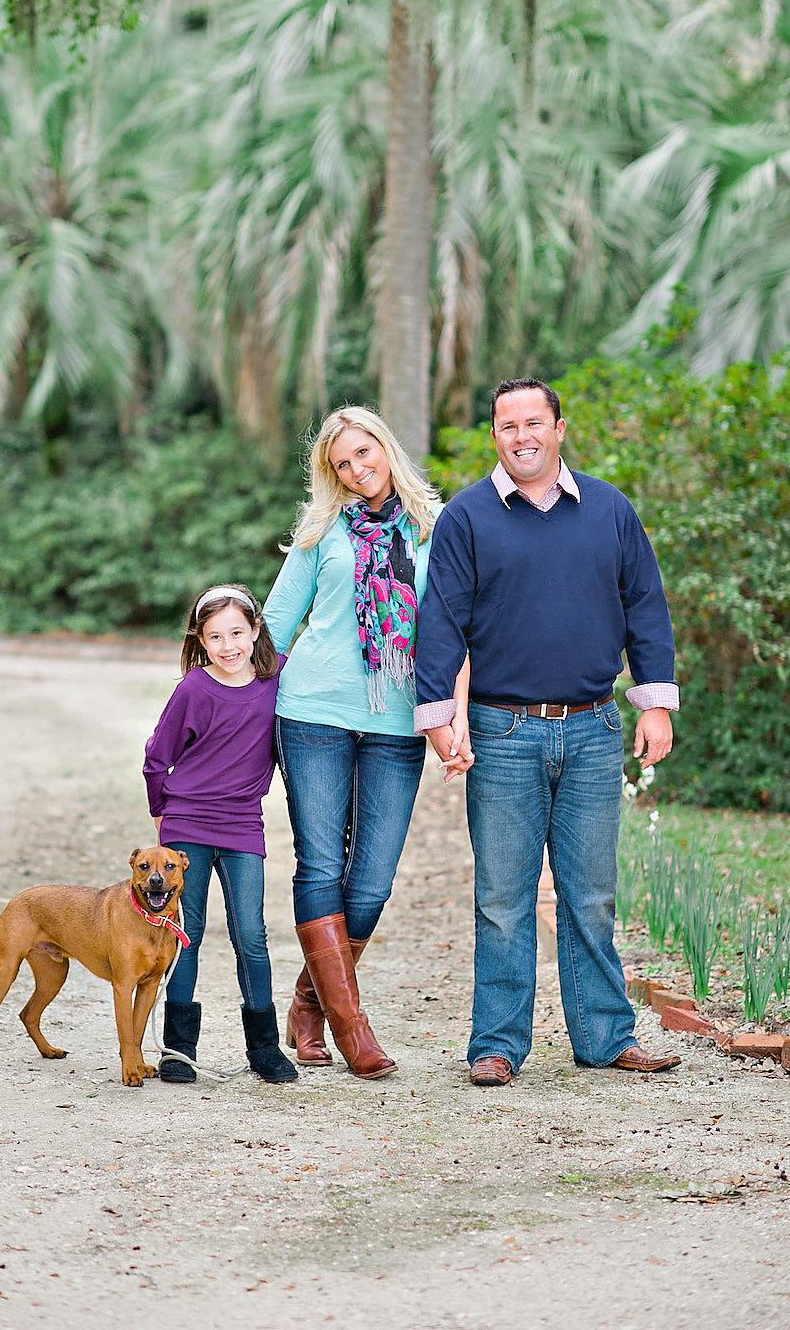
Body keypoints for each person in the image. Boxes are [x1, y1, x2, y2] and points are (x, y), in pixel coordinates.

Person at [414, 378, 681, 1084]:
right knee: (503, 899)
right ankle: (497, 1046)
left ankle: (605, 1037)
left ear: (559, 427)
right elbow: (440, 622)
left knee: (591, 894)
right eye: (508, 425)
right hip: (502, 733)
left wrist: (653, 703)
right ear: (494, 435)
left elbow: (645, 607)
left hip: (593, 730)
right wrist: (440, 718)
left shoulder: (609, 511)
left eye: (534, 422)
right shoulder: (468, 518)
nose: (522, 436)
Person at [262, 405, 469, 1080]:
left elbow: (453, 631)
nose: (356, 469)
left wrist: (452, 717)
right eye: (341, 463)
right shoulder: (320, 531)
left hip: (396, 719)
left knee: (372, 881)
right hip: (314, 711)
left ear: (387, 447)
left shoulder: (436, 529)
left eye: (363, 453)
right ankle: (353, 1029)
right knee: (321, 867)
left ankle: (307, 1003)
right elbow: (274, 626)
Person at [143, 584, 298, 1085]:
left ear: (256, 631)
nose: (228, 646)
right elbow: (157, 756)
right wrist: (162, 814)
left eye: (237, 632)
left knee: (250, 933)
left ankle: (265, 1048)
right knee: (185, 933)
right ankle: (178, 1049)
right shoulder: (194, 688)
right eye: (215, 637)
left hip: (241, 824)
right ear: (201, 641)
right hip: (187, 821)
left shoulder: (281, 679)